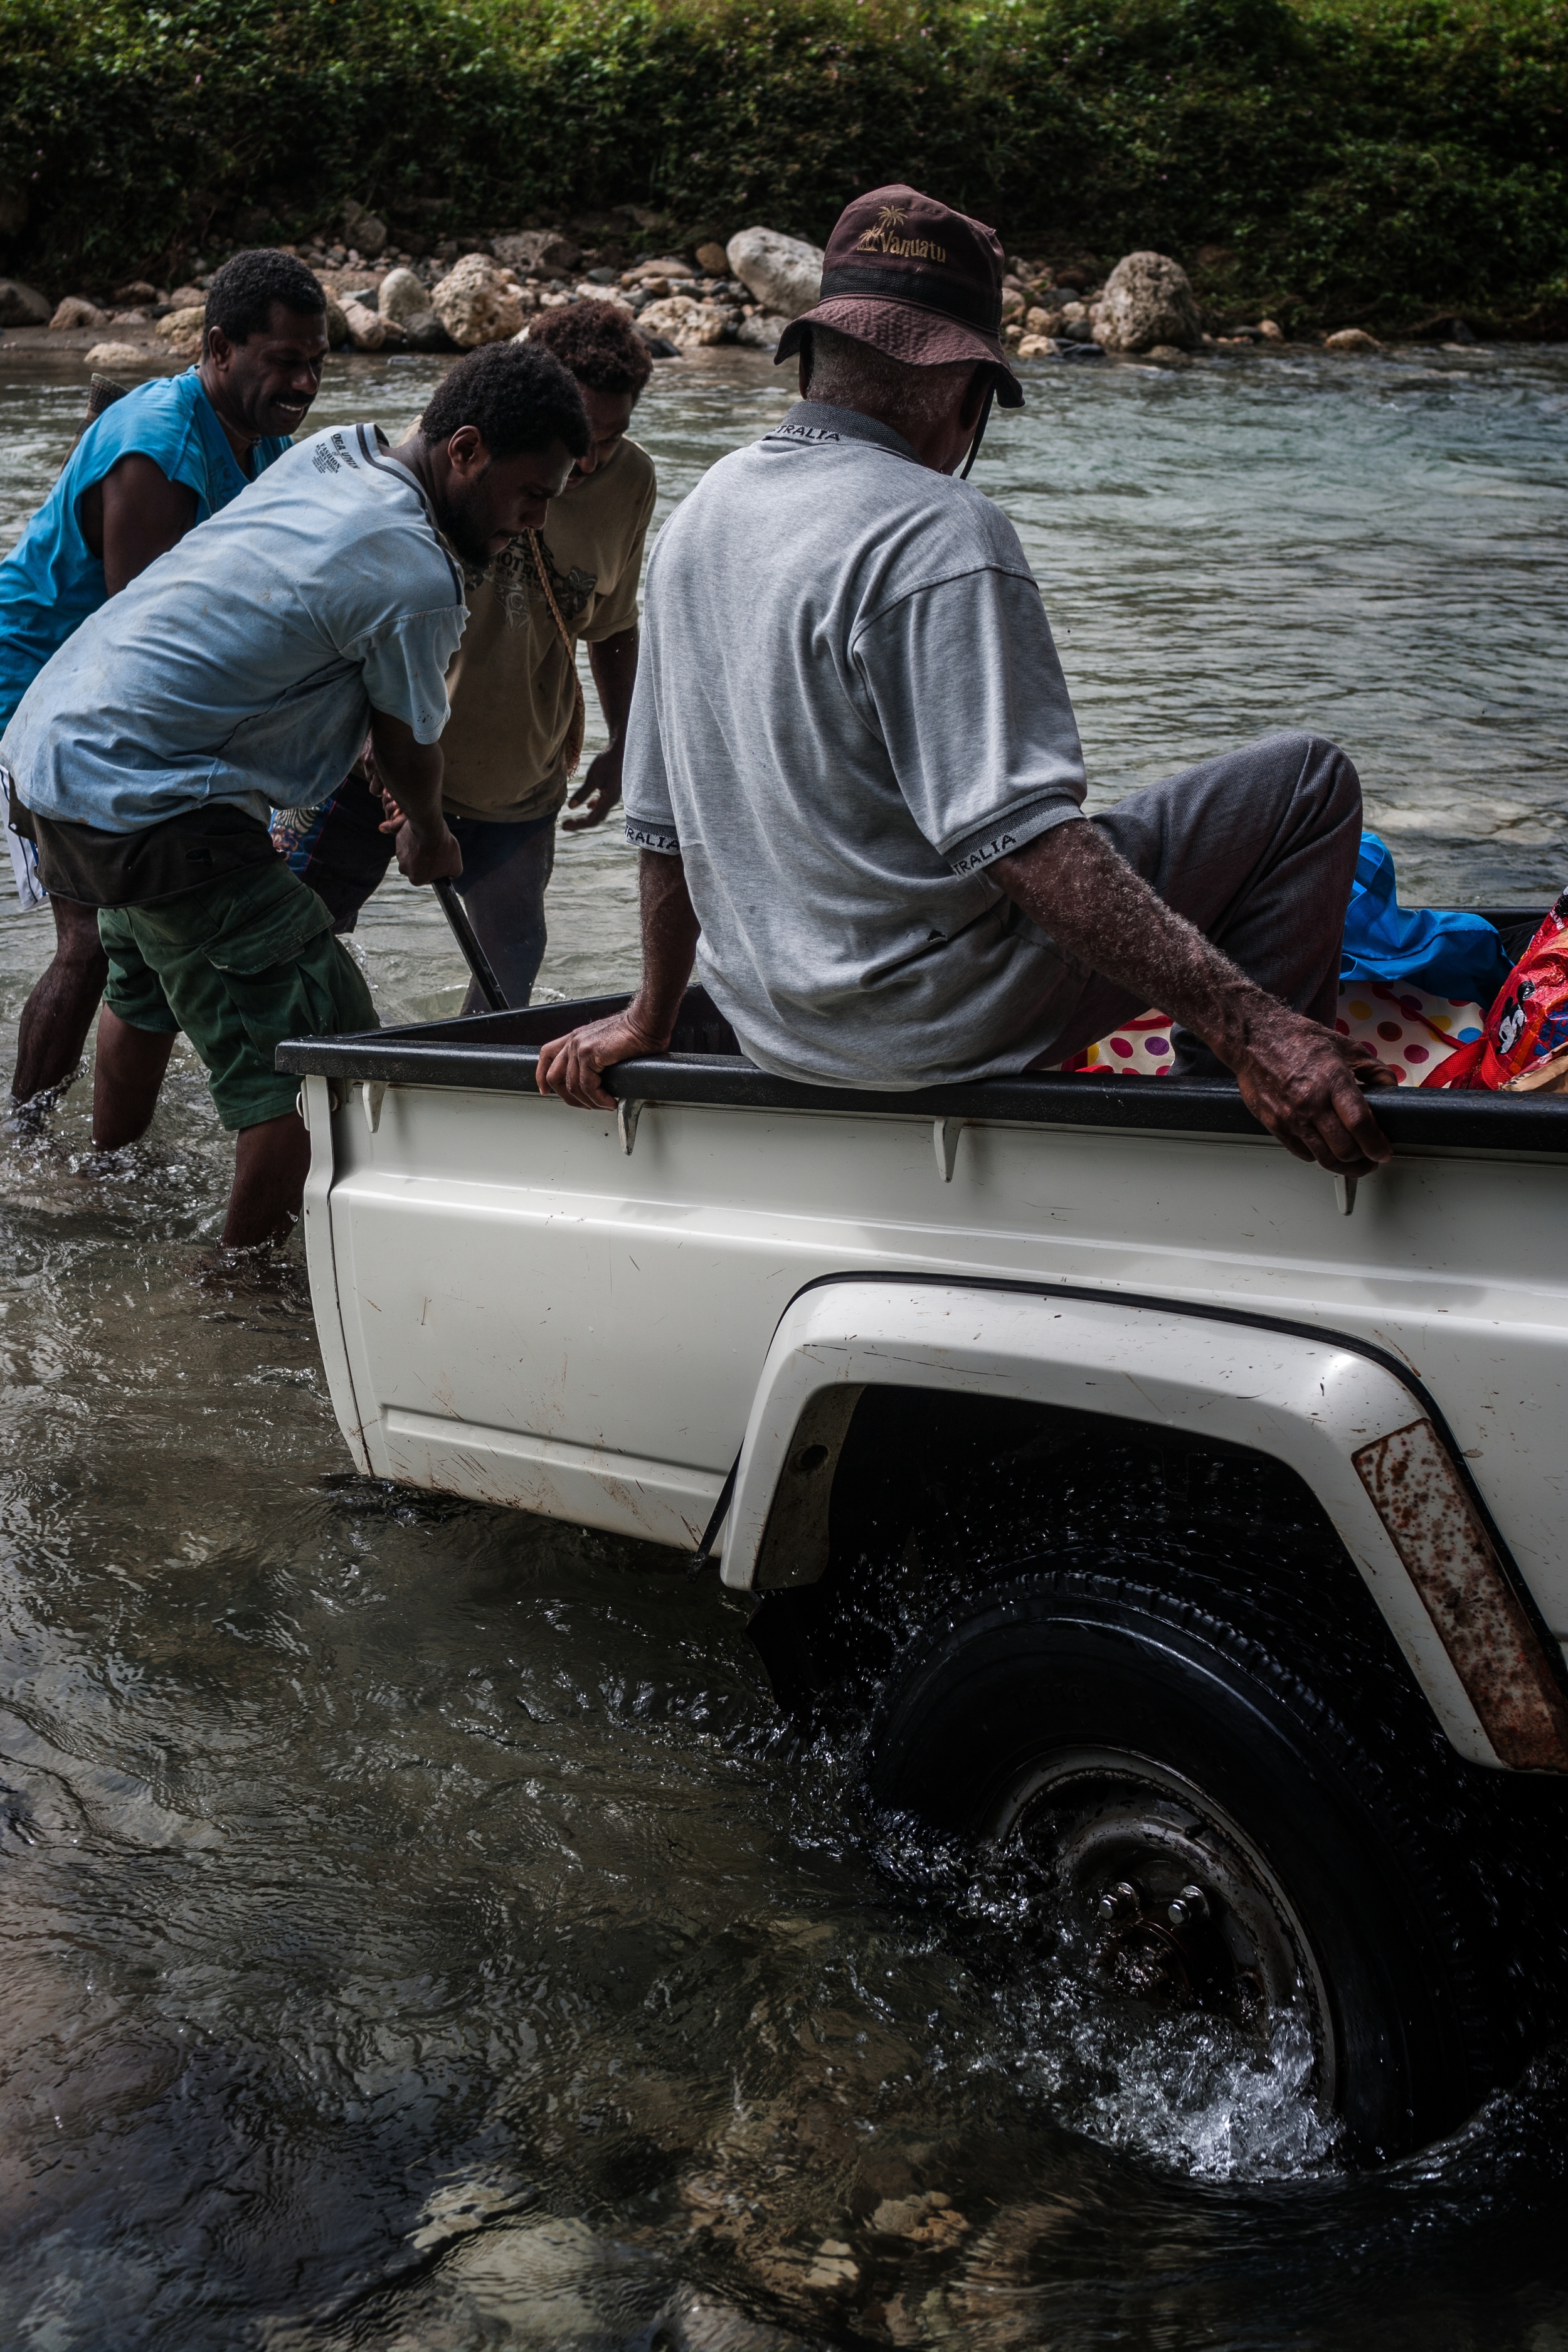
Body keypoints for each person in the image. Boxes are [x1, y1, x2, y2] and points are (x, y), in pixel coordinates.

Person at [536, 184, 1392, 1182]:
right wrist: (1256, 1029)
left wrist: (650, 1014)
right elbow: (1023, 844)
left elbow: (664, 827)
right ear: (965, 391)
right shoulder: (937, 528)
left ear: (811, 356)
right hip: (933, 1025)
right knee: (1305, 784)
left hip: (777, 1026)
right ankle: (1227, 1114)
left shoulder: (698, 517)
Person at [0, 342, 589, 1248]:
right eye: (533, 493)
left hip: (57, 756)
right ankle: (246, 1283)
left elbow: (290, 623)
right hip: (153, 799)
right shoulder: (419, 576)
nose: (537, 521)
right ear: (465, 451)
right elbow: (409, 737)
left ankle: (104, 1175)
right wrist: (428, 832)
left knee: (143, 979)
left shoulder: (338, 454)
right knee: (327, 1049)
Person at [1, 249, 330, 1108]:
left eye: (316, 362)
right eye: (283, 361)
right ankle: (26, 1140)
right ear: (220, 349)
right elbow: (145, 648)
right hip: (36, 694)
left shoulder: (260, 441)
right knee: (90, 941)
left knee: (134, 939)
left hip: (95, 689)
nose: (304, 381)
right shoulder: (158, 451)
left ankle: (110, 1130)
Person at [275, 299, 657, 1007]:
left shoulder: (629, 483)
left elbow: (612, 623)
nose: (590, 460)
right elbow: (358, 605)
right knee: (292, 939)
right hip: (374, 759)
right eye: (580, 435)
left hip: (515, 769)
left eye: (610, 438)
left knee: (511, 956)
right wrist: (366, 740)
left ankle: (464, 1099)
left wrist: (624, 742)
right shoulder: (452, 450)